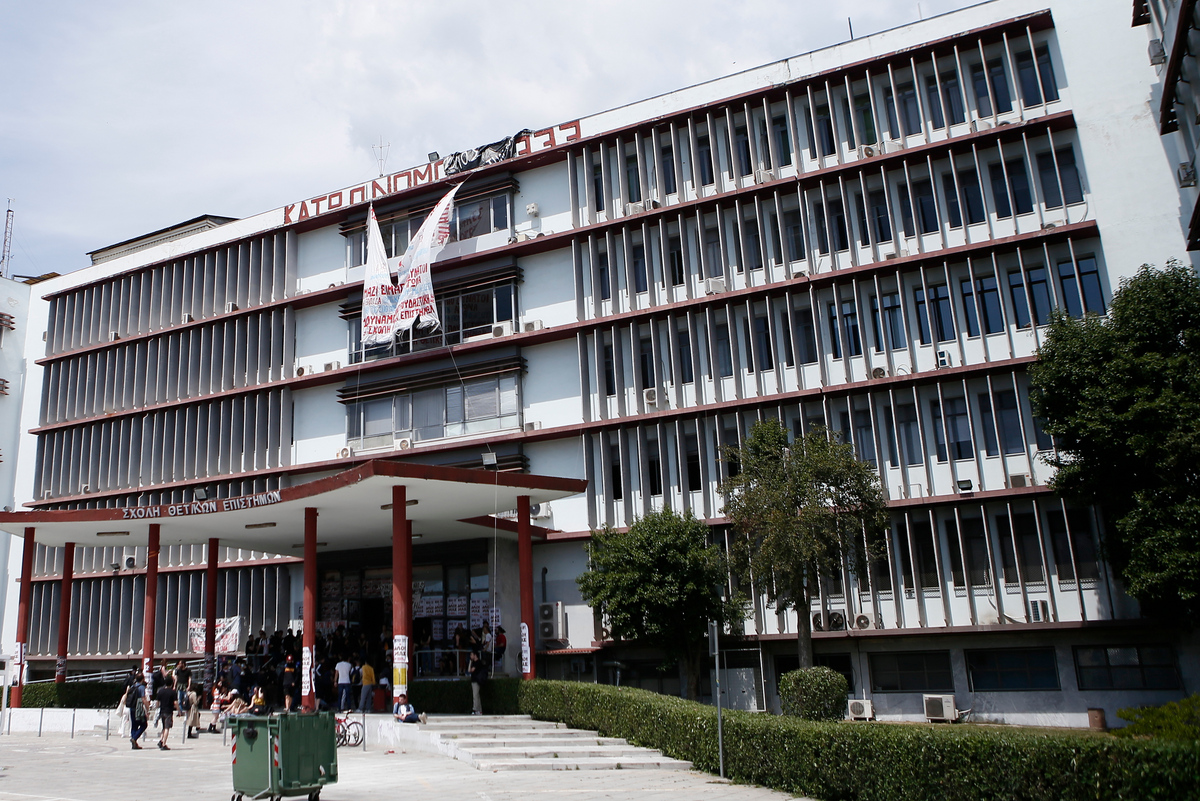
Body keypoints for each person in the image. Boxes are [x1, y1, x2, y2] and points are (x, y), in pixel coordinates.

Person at [122, 673, 149, 749]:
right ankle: (134, 738)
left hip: (131, 707)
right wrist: (147, 709)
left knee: (134, 726)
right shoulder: (141, 687)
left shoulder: (133, 686)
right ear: (142, 679)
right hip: (138, 709)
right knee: (144, 725)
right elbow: (143, 699)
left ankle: (134, 743)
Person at [155, 676, 176, 750]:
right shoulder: (172, 692)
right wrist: (179, 710)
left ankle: (161, 740)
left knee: (164, 727)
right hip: (168, 711)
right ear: (172, 683)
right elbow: (175, 702)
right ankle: (164, 744)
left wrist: (157, 707)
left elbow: (157, 701)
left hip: (162, 710)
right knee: (167, 728)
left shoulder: (161, 691)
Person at [468, 650, 488, 716]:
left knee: (475, 696)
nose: (470, 656)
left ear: (475, 655)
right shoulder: (474, 662)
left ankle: (475, 709)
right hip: (474, 680)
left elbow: (471, 670)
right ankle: (479, 710)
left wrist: (470, 662)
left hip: (476, 681)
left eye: (472, 655)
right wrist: (470, 662)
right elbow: (469, 670)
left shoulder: (478, 662)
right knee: (477, 696)